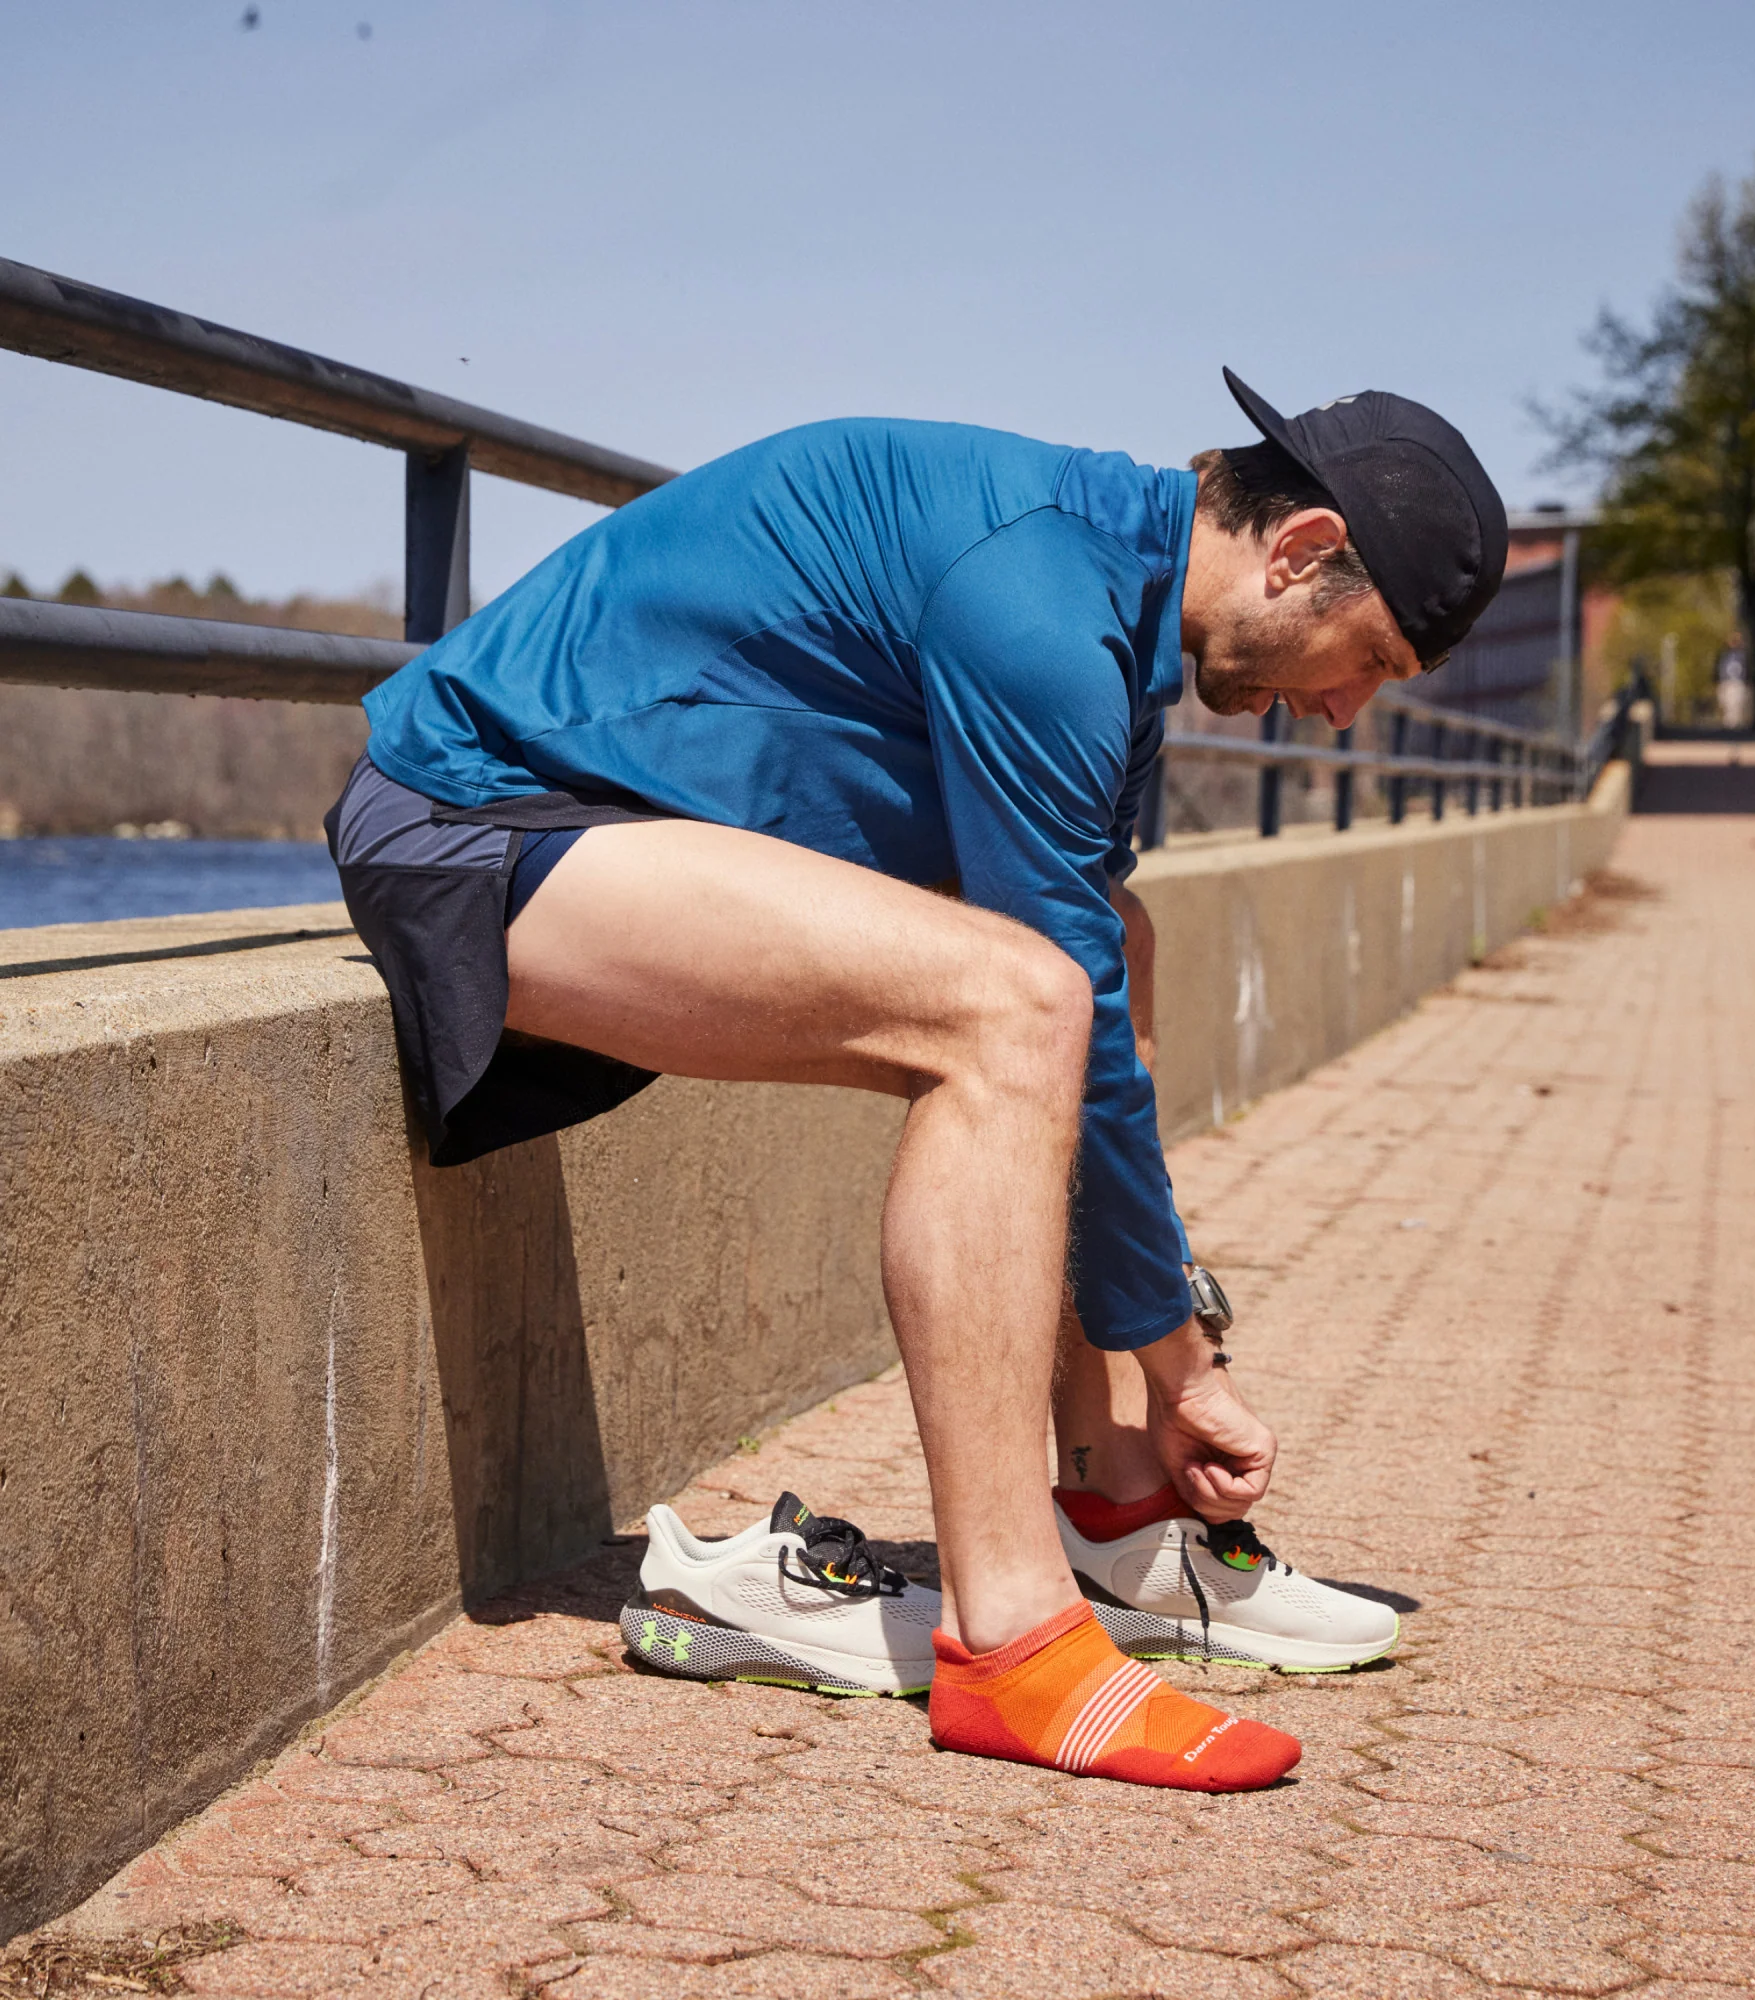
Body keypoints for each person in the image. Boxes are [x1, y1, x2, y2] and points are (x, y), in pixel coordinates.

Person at [328, 370, 1505, 1793]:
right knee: (1019, 1006)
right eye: (1365, 661)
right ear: (1301, 548)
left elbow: (1092, 972)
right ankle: (1012, 1638)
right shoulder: (1038, 599)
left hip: (609, 833)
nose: (1343, 715)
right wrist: (1184, 1354)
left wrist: (1162, 1363)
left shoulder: (1111, 597)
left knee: (1095, 955)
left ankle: (1118, 1511)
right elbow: (1046, 981)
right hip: (475, 824)